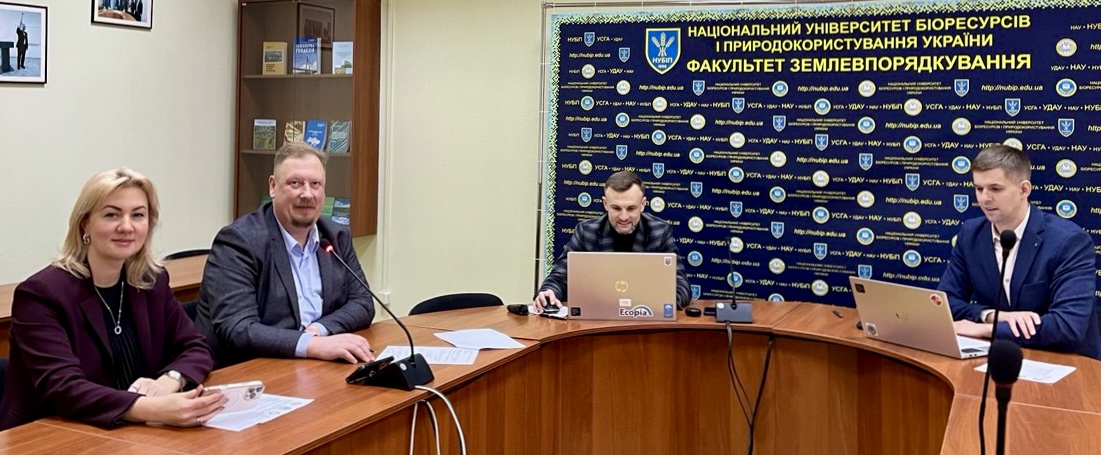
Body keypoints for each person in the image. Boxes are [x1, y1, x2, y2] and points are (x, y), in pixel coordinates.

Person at [0, 168, 224, 430]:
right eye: (112, 215)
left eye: (138, 215)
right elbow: (64, 388)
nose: (126, 227)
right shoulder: (41, 294)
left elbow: (196, 347)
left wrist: (169, 381)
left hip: (134, 431)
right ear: (85, 224)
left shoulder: (151, 282)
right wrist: (153, 408)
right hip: (53, 432)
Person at [195, 143, 376, 367]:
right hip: (251, 370)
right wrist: (311, 345)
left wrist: (319, 330)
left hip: (311, 366)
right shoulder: (239, 241)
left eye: (315, 184)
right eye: (295, 183)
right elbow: (238, 328)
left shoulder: (335, 236)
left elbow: (363, 302)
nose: (307, 194)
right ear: (273, 187)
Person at [938, 145, 1101, 360]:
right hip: (996, 358)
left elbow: (1068, 326)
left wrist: (988, 329)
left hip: (1066, 361)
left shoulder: (1068, 241)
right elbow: (946, 302)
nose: (984, 198)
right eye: (979, 188)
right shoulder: (971, 234)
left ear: (1024, 190)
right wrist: (991, 316)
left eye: (995, 189)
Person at [534, 170, 691, 311]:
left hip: (644, 317)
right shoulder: (586, 232)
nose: (623, 217)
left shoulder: (660, 232)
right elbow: (559, 277)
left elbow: (682, 285)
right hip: (597, 320)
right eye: (616, 208)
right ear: (605, 204)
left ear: (642, 205)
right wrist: (549, 292)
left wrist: (657, 306)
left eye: (631, 208)